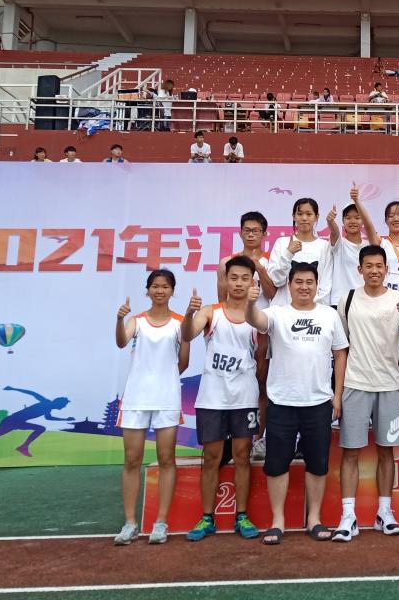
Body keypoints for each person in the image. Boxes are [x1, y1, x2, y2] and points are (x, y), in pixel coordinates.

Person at [246, 263, 349, 545]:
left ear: (317, 285)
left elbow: (340, 354)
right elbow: (256, 320)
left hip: (318, 402)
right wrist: (251, 303)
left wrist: (337, 395)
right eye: (299, 282)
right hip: (282, 401)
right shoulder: (277, 313)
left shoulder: (329, 315)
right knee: (276, 463)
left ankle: (314, 518)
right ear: (289, 285)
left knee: (318, 463)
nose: (304, 287)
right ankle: (277, 521)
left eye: (309, 282)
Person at [332, 245, 399, 542]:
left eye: (379, 266)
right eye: (368, 266)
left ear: (386, 269)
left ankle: (385, 512)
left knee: (386, 451)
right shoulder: (348, 299)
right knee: (350, 452)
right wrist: (338, 393)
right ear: (360, 269)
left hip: (389, 385)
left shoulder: (398, 299)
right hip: (355, 384)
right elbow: (341, 345)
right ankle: (348, 516)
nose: (374, 270)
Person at [183, 256, 266, 542]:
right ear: (225, 281)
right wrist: (188, 314)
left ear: (253, 282)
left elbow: (262, 358)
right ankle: (207, 518)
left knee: (242, 456)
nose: (239, 283)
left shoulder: (258, 318)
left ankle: (241, 515)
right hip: (212, 399)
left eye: (245, 278)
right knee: (212, 458)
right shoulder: (210, 312)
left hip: (244, 399)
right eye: (234, 278)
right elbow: (188, 333)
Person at [113, 269, 191, 546]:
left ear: (172, 291)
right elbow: (121, 342)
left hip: (166, 398)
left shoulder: (181, 323)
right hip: (136, 398)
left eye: (165, 286)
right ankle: (130, 523)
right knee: (132, 460)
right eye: (155, 286)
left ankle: (161, 522)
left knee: (167, 458)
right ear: (148, 290)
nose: (160, 291)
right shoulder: (137, 321)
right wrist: (119, 319)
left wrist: (164, 378)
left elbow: (184, 362)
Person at [353, 186, 399, 426]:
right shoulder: (381, 243)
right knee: (380, 356)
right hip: (383, 308)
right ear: (386, 221)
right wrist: (358, 202)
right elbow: (368, 227)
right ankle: (372, 410)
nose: (396, 218)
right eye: (391, 215)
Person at [231, 211, 275, 461]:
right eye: (246, 230)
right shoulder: (230, 262)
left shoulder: (271, 261)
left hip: (261, 330)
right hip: (236, 330)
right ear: (240, 233)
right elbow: (223, 298)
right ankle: (236, 438)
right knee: (236, 381)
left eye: (256, 231)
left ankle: (258, 439)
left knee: (261, 384)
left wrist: (260, 269)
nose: (251, 235)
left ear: (264, 234)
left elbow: (274, 293)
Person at [266, 198, 333, 306]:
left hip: (314, 311)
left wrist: (314, 308)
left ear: (316, 217)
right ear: (294, 216)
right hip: (284, 309)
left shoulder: (324, 246)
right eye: (300, 214)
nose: (304, 218)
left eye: (309, 214)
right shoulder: (282, 243)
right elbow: (276, 280)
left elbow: (325, 284)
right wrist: (288, 253)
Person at [326, 201, 365, 308]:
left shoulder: (368, 245)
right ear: (343, 221)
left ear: (363, 221)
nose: (352, 221)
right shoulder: (339, 243)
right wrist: (330, 221)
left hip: (363, 301)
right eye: (348, 218)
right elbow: (335, 232)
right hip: (340, 301)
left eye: (357, 218)